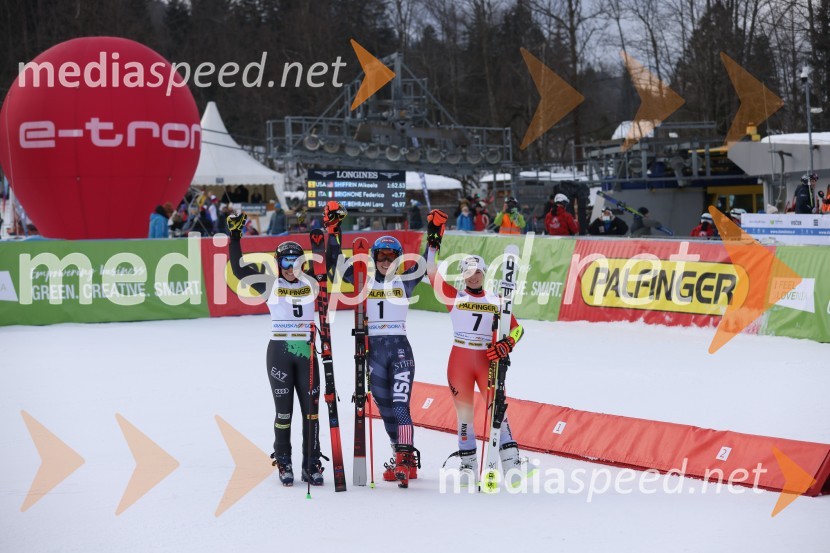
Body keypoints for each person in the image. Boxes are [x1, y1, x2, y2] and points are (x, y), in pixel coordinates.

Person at [325, 201, 426, 488]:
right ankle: (399, 454)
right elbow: (335, 261)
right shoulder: (363, 281)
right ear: (373, 257)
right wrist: (334, 231)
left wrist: (434, 236)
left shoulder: (406, 280)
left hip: (400, 351)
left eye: (391, 256)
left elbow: (428, 264)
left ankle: (406, 459)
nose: (385, 261)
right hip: (374, 353)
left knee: (401, 406)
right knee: (383, 407)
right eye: (381, 255)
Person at [425, 213, 526, 484]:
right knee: (465, 416)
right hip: (459, 359)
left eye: (477, 272)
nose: (472, 277)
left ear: (484, 274)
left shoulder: (496, 299)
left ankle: (511, 464)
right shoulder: (454, 297)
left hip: (486, 360)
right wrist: (433, 242)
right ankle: (468, 465)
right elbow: (430, 271)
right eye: (467, 273)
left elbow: (518, 329)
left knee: (498, 411)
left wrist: (507, 345)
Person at [226, 212, 324, 487]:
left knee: (311, 413)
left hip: (306, 351)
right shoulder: (271, 284)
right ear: (278, 264)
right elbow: (238, 269)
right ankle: (284, 460)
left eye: (296, 262)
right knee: (284, 413)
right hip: (280, 351)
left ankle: (311, 462)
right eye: (286, 262)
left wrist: (327, 236)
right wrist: (235, 237)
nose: (291, 267)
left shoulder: (311, 283)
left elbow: (332, 264)